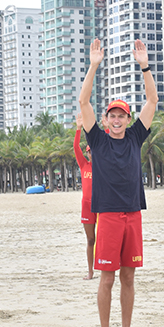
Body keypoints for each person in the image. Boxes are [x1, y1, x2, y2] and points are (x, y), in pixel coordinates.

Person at [79, 38, 158, 327]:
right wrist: (94, 66)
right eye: (111, 115)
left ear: (127, 119)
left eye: (121, 116)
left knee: (128, 277)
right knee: (107, 278)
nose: (116, 120)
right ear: (105, 119)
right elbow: (84, 103)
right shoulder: (97, 140)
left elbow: (151, 102)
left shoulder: (135, 137)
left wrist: (145, 67)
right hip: (109, 215)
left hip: (133, 214)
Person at [74, 113, 96, 280]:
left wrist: (108, 129)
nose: (91, 154)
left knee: (103, 239)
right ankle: (90, 272)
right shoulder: (84, 165)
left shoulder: (104, 166)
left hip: (102, 205)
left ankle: (106, 267)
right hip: (87, 206)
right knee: (90, 240)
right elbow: (76, 148)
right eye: (89, 152)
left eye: (93, 151)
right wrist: (78, 129)